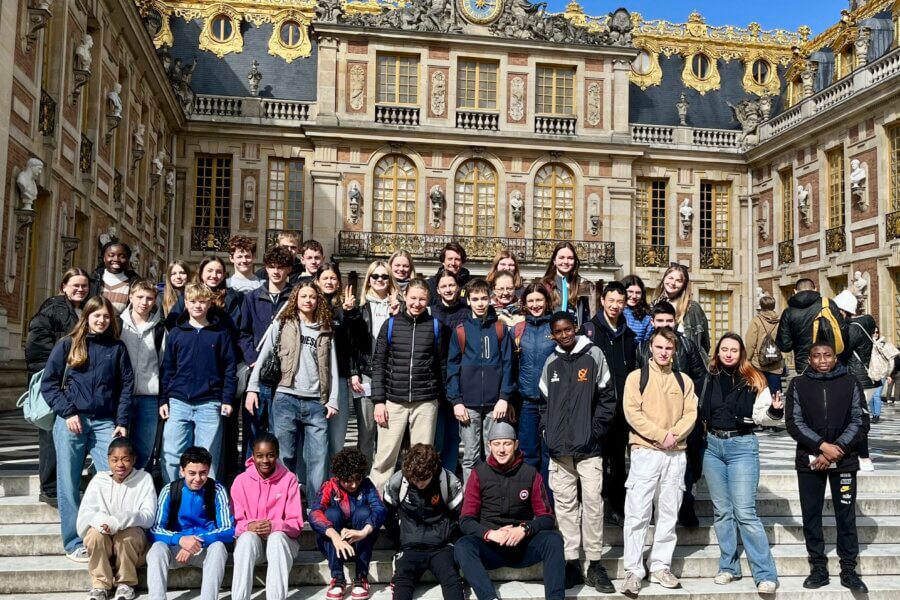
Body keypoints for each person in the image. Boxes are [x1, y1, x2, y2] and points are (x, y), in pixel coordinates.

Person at [42, 296, 134, 562]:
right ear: (87, 316)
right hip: (72, 420)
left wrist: (122, 421)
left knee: (113, 477)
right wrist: (67, 411)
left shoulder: (117, 348)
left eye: (106, 316)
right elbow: (49, 383)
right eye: (97, 316)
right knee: (68, 480)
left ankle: (109, 534)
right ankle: (73, 540)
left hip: (105, 421)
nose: (102, 320)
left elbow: (126, 387)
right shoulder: (68, 344)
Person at [539, 311, 616, 592]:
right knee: (566, 507)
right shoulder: (551, 362)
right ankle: (571, 561)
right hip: (559, 452)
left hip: (589, 449)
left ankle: (594, 563)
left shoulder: (594, 355)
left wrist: (594, 431)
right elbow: (543, 404)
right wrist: (547, 433)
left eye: (567, 329)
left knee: (593, 505)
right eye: (558, 332)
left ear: (576, 328)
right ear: (553, 334)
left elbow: (608, 398)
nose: (564, 335)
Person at [699, 333, 782, 594]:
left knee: (745, 512)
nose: (728, 354)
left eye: (734, 350)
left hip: (742, 447)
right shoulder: (708, 378)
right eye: (724, 349)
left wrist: (775, 412)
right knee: (722, 511)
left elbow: (764, 415)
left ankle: (765, 574)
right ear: (718, 352)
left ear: (741, 353)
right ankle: (728, 567)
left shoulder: (754, 379)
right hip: (712, 447)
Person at [784, 342, 868, 593]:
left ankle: (849, 569)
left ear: (835, 357)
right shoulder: (798, 384)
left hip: (844, 460)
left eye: (827, 355)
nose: (822, 360)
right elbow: (793, 422)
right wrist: (821, 445)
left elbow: (860, 420)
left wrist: (835, 451)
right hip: (810, 460)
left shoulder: (851, 382)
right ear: (809, 359)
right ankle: (818, 567)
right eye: (817, 356)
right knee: (811, 515)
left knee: (846, 515)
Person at [620, 327, 697, 597]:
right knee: (638, 512)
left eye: (669, 348)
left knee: (668, 513)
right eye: (660, 347)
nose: (664, 352)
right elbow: (632, 413)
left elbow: (691, 413)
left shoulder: (683, 380)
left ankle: (661, 565)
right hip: (645, 451)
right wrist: (659, 435)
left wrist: (673, 435)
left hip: (676, 453)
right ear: (650, 347)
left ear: (674, 351)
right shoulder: (636, 378)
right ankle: (633, 570)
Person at [246, 281, 339, 499]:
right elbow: (264, 355)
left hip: (316, 401)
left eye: (312, 297)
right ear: (295, 299)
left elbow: (331, 365)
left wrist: (332, 399)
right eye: (304, 296)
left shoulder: (325, 328)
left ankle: (317, 506)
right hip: (286, 397)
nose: (308, 301)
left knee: (318, 457)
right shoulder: (284, 323)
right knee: (284, 455)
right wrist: (253, 388)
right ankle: (285, 502)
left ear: (318, 301)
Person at [454, 422, 565, 600]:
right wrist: (489, 534)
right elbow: (466, 520)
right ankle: (489, 598)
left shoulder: (530, 474)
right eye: (497, 444)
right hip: (490, 547)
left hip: (522, 546)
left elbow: (546, 518)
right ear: (489, 445)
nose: (502, 449)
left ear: (516, 444)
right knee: (463, 546)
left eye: (506, 443)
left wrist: (524, 529)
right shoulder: (478, 474)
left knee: (554, 540)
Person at [634, 301, 707, 527]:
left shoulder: (687, 346)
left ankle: (686, 506)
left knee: (687, 467)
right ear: (652, 322)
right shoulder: (643, 348)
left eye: (669, 321)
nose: (664, 325)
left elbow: (701, 379)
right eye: (660, 321)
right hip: (654, 421)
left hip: (684, 418)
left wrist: (696, 411)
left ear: (675, 321)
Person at [370, 279, 445, 490]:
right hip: (393, 401)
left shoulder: (435, 326)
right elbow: (379, 364)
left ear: (428, 299)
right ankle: (377, 505)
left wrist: (440, 397)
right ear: (405, 296)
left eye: (422, 299)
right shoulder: (391, 324)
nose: (417, 303)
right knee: (385, 457)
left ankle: (417, 502)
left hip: (425, 402)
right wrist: (378, 401)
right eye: (413, 298)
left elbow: (442, 366)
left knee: (422, 459)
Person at [25, 267, 90, 507]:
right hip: (56, 383)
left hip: (76, 384)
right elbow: (36, 348)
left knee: (72, 435)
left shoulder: (84, 310)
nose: (80, 289)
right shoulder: (52, 310)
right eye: (75, 285)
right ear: (63, 286)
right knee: (50, 435)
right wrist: (55, 373)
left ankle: (67, 480)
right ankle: (49, 487)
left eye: (84, 285)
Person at [159, 283, 237, 482]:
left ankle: (205, 503)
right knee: (172, 454)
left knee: (207, 457)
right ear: (185, 303)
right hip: (178, 402)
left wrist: (226, 399)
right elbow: (167, 369)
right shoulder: (177, 333)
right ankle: (175, 497)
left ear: (210, 304)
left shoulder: (220, 333)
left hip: (209, 403)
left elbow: (229, 368)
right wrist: (163, 400)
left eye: (202, 302)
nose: (197, 306)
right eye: (193, 301)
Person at [447, 278, 516, 483]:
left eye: (484, 298)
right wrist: (456, 401)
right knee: (470, 457)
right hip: (469, 406)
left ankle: (493, 499)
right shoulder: (460, 331)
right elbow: (452, 369)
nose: (480, 303)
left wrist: (504, 397)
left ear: (490, 299)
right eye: (475, 299)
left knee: (494, 454)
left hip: (496, 405)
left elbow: (509, 365)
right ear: (468, 301)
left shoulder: (500, 329)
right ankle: (471, 503)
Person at [581, 281, 637, 527]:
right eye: (611, 300)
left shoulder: (628, 334)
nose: (615, 306)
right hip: (596, 408)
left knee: (618, 461)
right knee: (595, 461)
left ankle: (617, 506)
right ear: (602, 300)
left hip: (622, 409)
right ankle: (594, 506)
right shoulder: (589, 331)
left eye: (620, 302)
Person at [147, 446, 235, 600]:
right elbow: (154, 530)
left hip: (204, 549)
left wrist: (197, 541)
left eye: (203, 473)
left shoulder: (217, 490)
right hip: (176, 549)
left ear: (208, 470)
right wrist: (180, 540)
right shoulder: (170, 490)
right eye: (192, 473)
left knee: (219, 547)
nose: (198, 478)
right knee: (156, 549)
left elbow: (229, 530)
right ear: (182, 471)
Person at [77, 437, 156, 600]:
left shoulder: (144, 479)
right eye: (115, 460)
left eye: (125, 459)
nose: (120, 464)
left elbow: (148, 517)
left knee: (127, 535)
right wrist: (103, 523)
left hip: (133, 546)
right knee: (94, 534)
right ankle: (100, 584)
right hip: (104, 542)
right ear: (108, 460)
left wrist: (120, 521)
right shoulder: (99, 480)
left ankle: (126, 583)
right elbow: (84, 517)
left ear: (133, 459)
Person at [383, 444, 465, 600]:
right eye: (415, 479)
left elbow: (460, 515)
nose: (420, 483)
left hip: (441, 546)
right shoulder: (397, 481)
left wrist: (450, 537)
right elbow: (387, 514)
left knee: (452, 581)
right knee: (402, 583)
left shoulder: (448, 481)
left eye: (424, 479)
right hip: (409, 545)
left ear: (433, 471)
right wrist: (398, 539)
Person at [230, 433, 304, 600]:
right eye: (259, 456)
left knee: (277, 538)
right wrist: (249, 526)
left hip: (283, 544)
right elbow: (233, 523)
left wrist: (274, 526)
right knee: (246, 538)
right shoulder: (241, 481)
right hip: (253, 547)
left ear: (277, 454)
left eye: (270, 455)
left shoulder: (289, 479)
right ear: (253, 456)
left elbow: (296, 525)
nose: (265, 460)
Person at [238, 245, 295, 459]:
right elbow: (243, 333)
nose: (276, 271)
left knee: (281, 430)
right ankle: (250, 473)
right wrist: (253, 359)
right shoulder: (252, 298)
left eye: (281, 267)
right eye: (272, 267)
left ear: (289, 269)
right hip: (258, 373)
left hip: (285, 374)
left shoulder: (295, 298)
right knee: (254, 428)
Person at [309, 448, 387, 600]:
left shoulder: (366, 485)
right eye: (348, 480)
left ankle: (361, 577)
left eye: (357, 479)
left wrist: (364, 531)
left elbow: (380, 508)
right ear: (338, 477)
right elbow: (314, 513)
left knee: (364, 512)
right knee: (331, 513)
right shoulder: (329, 486)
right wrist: (334, 535)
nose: (353, 485)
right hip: (335, 546)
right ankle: (337, 578)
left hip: (360, 544)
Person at [349, 261, 400, 465]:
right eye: (375, 276)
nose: (380, 280)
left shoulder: (400, 308)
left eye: (384, 276)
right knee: (367, 432)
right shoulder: (360, 309)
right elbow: (352, 343)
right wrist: (354, 371)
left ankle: (386, 481)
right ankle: (365, 480)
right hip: (367, 375)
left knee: (389, 433)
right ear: (369, 280)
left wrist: (397, 315)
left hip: (392, 376)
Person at [118, 279, 165, 470]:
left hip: (148, 396)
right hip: (121, 396)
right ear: (130, 297)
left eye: (149, 298)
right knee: (117, 446)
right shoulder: (117, 324)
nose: (144, 302)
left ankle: (139, 487)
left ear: (155, 300)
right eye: (139, 297)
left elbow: (164, 363)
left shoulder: (160, 328)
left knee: (145, 448)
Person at [317, 262, 360, 464]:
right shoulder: (309, 305)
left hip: (339, 376)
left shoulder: (344, 308)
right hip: (313, 378)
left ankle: (334, 476)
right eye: (325, 278)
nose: (329, 281)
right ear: (317, 281)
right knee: (315, 434)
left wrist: (350, 314)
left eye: (333, 278)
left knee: (337, 433)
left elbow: (354, 343)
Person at [514, 284, 556, 494]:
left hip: (552, 404)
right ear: (524, 304)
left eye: (539, 300)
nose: (535, 305)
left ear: (547, 302)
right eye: (531, 301)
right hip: (528, 402)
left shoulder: (555, 328)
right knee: (528, 453)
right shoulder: (519, 329)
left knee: (550, 455)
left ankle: (548, 504)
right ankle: (529, 501)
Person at [833, 289, 877, 471]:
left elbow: (842, 353)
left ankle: (864, 457)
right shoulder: (865, 323)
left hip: (857, 377)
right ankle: (858, 454)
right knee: (859, 416)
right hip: (868, 378)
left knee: (857, 418)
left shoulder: (851, 328)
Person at [428, 270, 467, 472]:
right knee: (436, 436)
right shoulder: (430, 312)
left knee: (453, 437)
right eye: (443, 286)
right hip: (435, 381)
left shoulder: (467, 312)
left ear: (458, 287)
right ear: (437, 289)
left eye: (451, 285)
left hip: (460, 381)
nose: (448, 289)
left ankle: (450, 480)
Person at [777, 277, 848, 375]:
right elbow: (843, 332)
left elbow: (784, 346)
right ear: (815, 289)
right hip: (829, 362)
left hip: (803, 365)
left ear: (795, 291)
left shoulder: (788, 312)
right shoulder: (828, 304)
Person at [650, 263, 710, 356]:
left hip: (689, 363)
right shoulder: (653, 306)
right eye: (670, 278)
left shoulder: (693, 308)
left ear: (683, 285)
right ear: (664, 279)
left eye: (678, 280)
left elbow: (705, 343)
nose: (673, 283)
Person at [541, 241, 594, 326]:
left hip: (578, 334)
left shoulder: (582, 284)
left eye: (570, 258)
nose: (566, 261)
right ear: (554, 260)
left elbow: (589, 314)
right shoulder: (545, 285)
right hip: (553, 334)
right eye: (561, 257)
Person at [744, 295, 784, 396]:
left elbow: (750, 343)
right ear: (774, 306)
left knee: (758, 393)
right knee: (774, 394)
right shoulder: (780, 322)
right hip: (776, 363)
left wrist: (747, 359)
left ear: (761, 306)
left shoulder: (756, 321)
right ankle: (774, 411)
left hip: (758, 363)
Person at [89, 242, 141, 315]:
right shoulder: (92, 280)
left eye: (122, 256)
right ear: (104, 258)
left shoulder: (136, 284)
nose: (116, 259)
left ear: (128, 259)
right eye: (111, 255)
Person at [621, 274, 652, 343]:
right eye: (630, 292)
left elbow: (647, 341)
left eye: (638, 293)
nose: (634, 296)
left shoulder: (646, 317)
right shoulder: (615, 311)